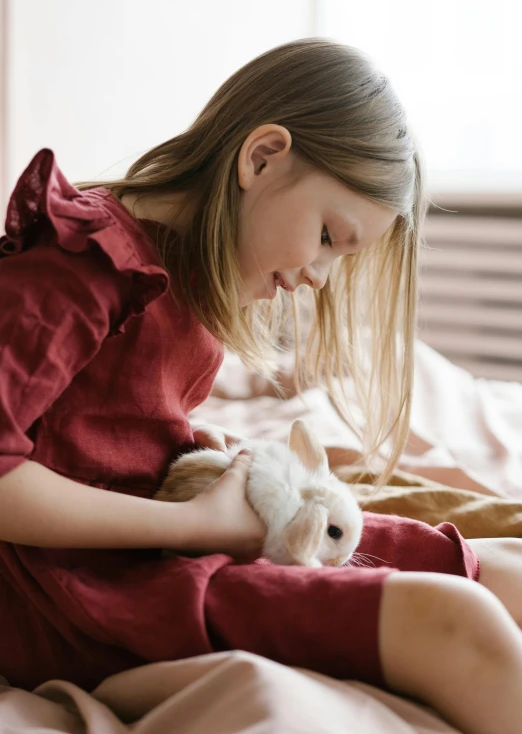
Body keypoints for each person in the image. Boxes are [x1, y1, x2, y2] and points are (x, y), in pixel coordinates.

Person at [1, 37, 521, 733]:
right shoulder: (78, 265)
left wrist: (187, 451)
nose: (319, 276)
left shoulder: (184, 280)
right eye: (331, 236)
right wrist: (191, 523)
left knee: (502, 564)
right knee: (457, 619)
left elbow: (100, 425)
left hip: (158, 542)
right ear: (261, 157)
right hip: (80, 591)